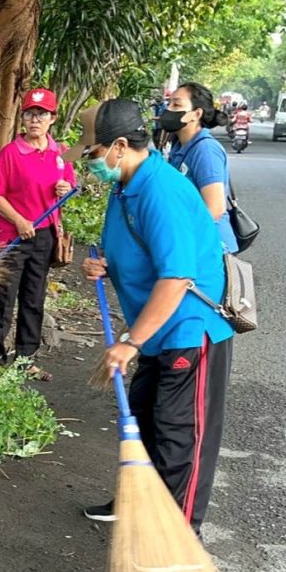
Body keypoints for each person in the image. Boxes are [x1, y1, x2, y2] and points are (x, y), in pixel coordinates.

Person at [63, 99, 233, 534]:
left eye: (93, 152)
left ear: (120, 145)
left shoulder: (161, 191)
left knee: (180, 438)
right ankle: (139, 506)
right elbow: (139, 250)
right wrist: (104, 265)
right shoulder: (125, 184)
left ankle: (178, 538)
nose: (90, 161)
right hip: (156, 329)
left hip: (187, 329)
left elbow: (176, 277)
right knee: (142, 418)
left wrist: (130, 342)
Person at [0, 87, 76, 379]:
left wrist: (66, 189)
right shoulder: (10, 153)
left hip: (44, 235)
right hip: (11, 236)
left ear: (52, 118)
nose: (35, 119)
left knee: (34, 297)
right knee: (3, 298)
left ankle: (26, 358)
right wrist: (19, 220)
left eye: (42, 114)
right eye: (30, 113)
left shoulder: (60, 153)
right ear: (22, 118)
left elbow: (69, 187)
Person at [159, 82, 238, 254]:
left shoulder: (205, 150)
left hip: (209, 249)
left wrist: (177, 236)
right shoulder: (178, 145)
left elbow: (215, 209)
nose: (168, 109)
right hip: (190, 243)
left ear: (196, 114)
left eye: (176, 104)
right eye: (169, 103)